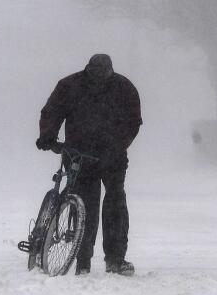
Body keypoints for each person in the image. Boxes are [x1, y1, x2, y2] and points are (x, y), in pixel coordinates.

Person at [36, 53, 141, 276]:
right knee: (93, 204)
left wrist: (119, 145)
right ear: (89, 70)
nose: (99, 80)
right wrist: (47, 135)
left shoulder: (119, 87)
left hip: (107, 155)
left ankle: (108, 259)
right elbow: (52, 112)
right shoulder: (74, 85)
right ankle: (89, 259)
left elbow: (133, 122)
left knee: (112, 201)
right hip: (80, 155)